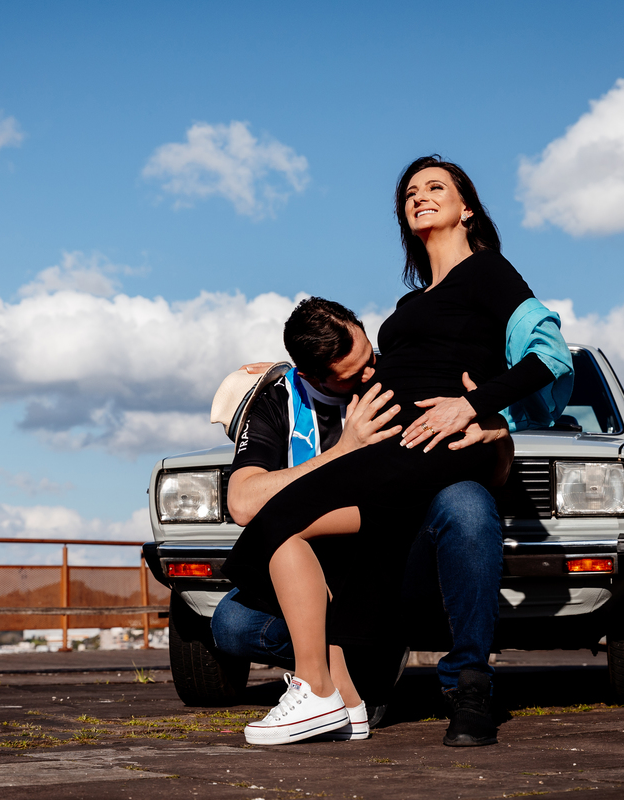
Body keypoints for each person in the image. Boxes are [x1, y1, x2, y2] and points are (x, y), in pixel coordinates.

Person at [222, 156, 572, 747]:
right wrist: (283, 370)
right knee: (324, 545)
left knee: (280, 523)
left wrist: (475, 408)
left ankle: (317, 692)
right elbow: (372, 371)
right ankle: (347, 702)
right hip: (401, 449)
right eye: (410, 192)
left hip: (436, 443)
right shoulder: (410, 306)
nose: (419, 196)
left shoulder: (487, 270)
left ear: (467, 208)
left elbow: (550, 357)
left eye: (436, 187)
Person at [210, 296, 512, 742]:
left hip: (398, 564)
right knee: (231, 623)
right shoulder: (278, 400)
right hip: (322, 574)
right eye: (353, 375)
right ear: (310, 376)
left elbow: (488, 472)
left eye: (370, 356)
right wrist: (343, 451)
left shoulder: (403, 372)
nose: (371, 374)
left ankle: (458, 681)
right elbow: (242, 503)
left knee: (467, 500)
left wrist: (499, 434)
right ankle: (347, 677)